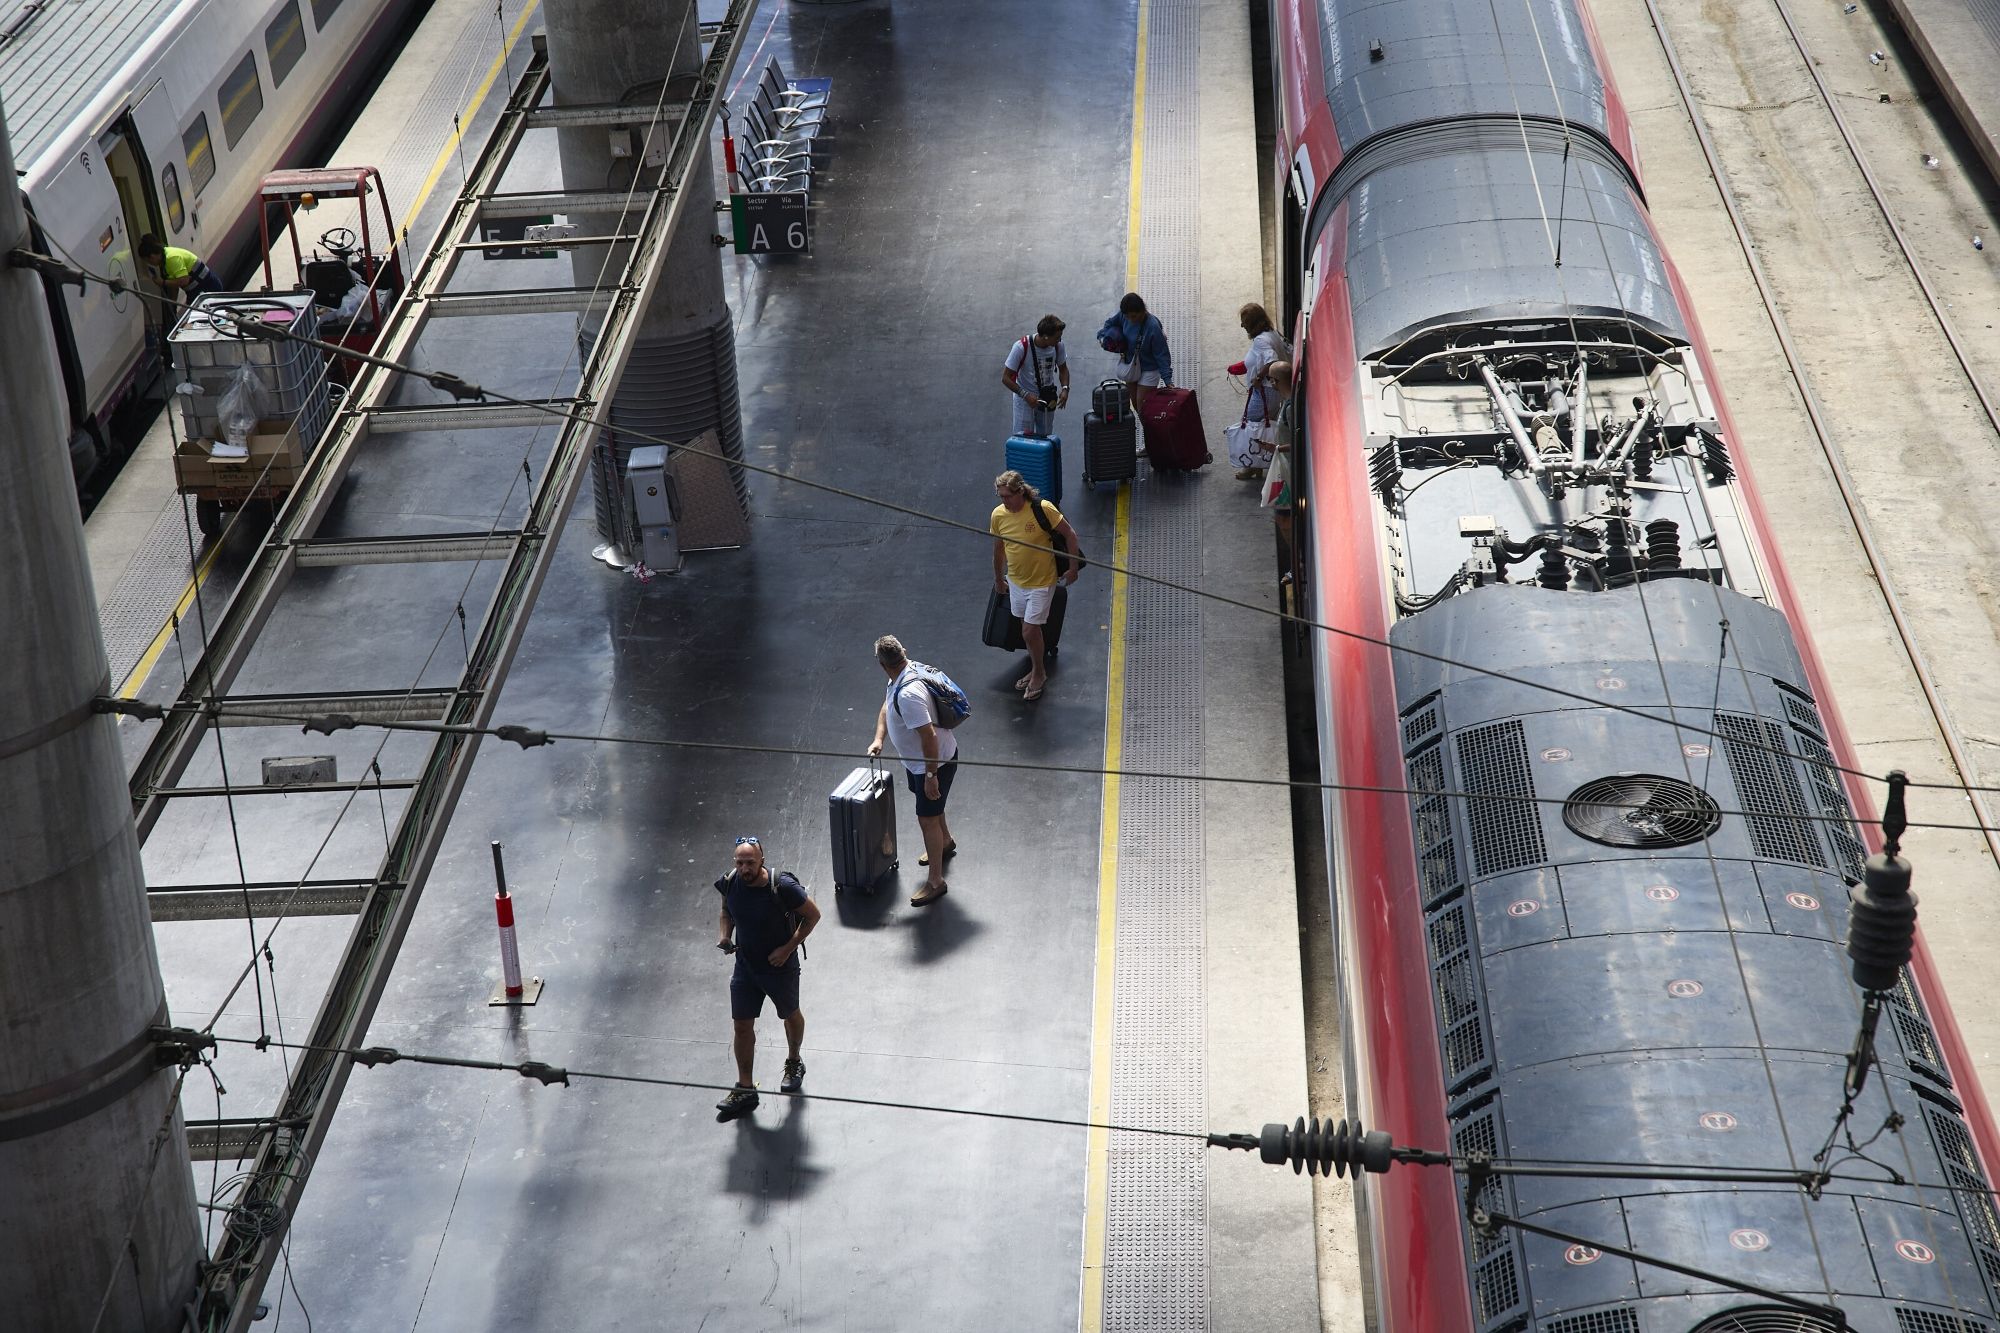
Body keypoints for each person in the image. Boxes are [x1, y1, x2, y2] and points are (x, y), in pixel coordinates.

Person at [713, 836, 820, 1121]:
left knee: (790, 1014)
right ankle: (745, 1088)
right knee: (742, 1026)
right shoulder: (730, 881)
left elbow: (813, 916)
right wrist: (724, 935)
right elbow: (726, 909)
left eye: (749, 862)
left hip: (779, 966)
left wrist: (787, 949)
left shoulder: (782, 886)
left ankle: (795, 1061)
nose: (744, 868)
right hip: (745, 965)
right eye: (739, 862)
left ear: (762, 860)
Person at [867, 635, 959, 907]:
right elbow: (886, 707)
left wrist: (931, 776)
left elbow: (928, 735)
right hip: (920, 763)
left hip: (933, 764)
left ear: (882, 664)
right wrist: (879, 739)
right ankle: (945, 842)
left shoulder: (908, 694)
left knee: (926, 818)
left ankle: (935, 882)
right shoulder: (904, 673)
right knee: (934, 807)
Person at [989, 470, 1081, 701]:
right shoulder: (998, 516)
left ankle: (1039, 673)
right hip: (1017, 581)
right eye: (1001, 496)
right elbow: (999, 548)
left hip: (1042, 581)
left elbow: (1070, 535)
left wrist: (1073, 567)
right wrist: (999, 578)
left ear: (1020, 492)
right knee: (1028, 631)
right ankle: (1036, 668)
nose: (1004, 501)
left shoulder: (1043, 509)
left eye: (1007, 496)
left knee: (1029, 630)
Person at [1227, 302, 1292, 480]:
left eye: (1245, 321)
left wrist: (1258, 377)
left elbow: (1271, 361)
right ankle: (1257, 466)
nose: (1242, 325)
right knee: (1260, 425)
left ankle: (1252, 466)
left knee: (1252, 425)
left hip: (1265, 390)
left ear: (1253, 322)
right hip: (1270, 390)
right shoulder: (1271, 334)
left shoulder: (1261, 340)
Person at [1096, 292, 1172, 424]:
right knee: (1137, 407)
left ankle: (1153, 439)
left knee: (1144, 407)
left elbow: (1162, 354)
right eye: (1128, 316)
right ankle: (1151, 436)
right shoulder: (1123, 316)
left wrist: (1167, 379)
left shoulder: (1153, 326)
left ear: (1142, 310)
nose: (1131, 320)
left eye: (1134, 316)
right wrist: (1103, 336)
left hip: (1149, 369)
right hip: (1131, 364)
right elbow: (1109, 323)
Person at [1002, 315, 1070, 437]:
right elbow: (1006, 378)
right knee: (1023, 439)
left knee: (1045, 437)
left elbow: (1063, 369)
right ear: (1045, 337)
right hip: (1024, 401)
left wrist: (1065, 389)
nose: (1059, 340)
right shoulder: (1021, 347)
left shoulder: (1058, 346)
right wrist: (1026, 395)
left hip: (1047, 399)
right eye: (1057, 338)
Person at [1268, 361, 1298, 568]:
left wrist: (1276, 449)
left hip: (1289, 472)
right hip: (1286, 469)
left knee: (1284, 518)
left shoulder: (1289, 407)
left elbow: (1299, 441)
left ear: (1276, 381)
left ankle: (1296, 560)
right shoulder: (1288, 402)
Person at [137, 234, 222, 306]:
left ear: (152, 256)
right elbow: (175, 285)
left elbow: (184, 280)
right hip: (195, 291)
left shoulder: (172, 258)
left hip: (207, 288)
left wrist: (162, 282)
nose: (150, 263)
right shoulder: (164, 261)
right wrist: (173, 303)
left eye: (148, 261)